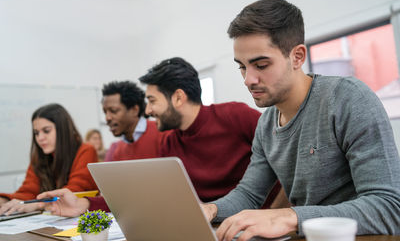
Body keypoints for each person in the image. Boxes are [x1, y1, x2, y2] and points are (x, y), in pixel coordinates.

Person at [200, 0, 400, 241]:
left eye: (261, 65)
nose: (248, 80)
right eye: (242, 67)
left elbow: (389, 208)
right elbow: (249, 195)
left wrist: (289, 217)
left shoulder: (347, 99)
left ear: (297, 57)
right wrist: (210, 210)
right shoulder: (266, 126)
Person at [38, 57, 284, 215]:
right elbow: (152, 198)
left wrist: (274, 214)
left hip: (261, 223)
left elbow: (287, 162)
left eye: (152, 100)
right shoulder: (170, 141)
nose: (148, 110)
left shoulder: (236, 116)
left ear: (178, 98)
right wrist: (87, 204)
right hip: (210, 226)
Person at [0, 103, 98, 215]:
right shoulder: (39, 157)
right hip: (54, 219)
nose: (40, 138)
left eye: (46, 131)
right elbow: (28, 191)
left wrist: (37, 205)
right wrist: (4, 201)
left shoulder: (86, 150)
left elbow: (74, 191)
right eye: (36, 133)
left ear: (63, 130)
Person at [101, 81, 167, 161]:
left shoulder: (164, 135)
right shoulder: (118, 151)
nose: (107, 118)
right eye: (105, 112)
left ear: (134, 110)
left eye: (114, 111)